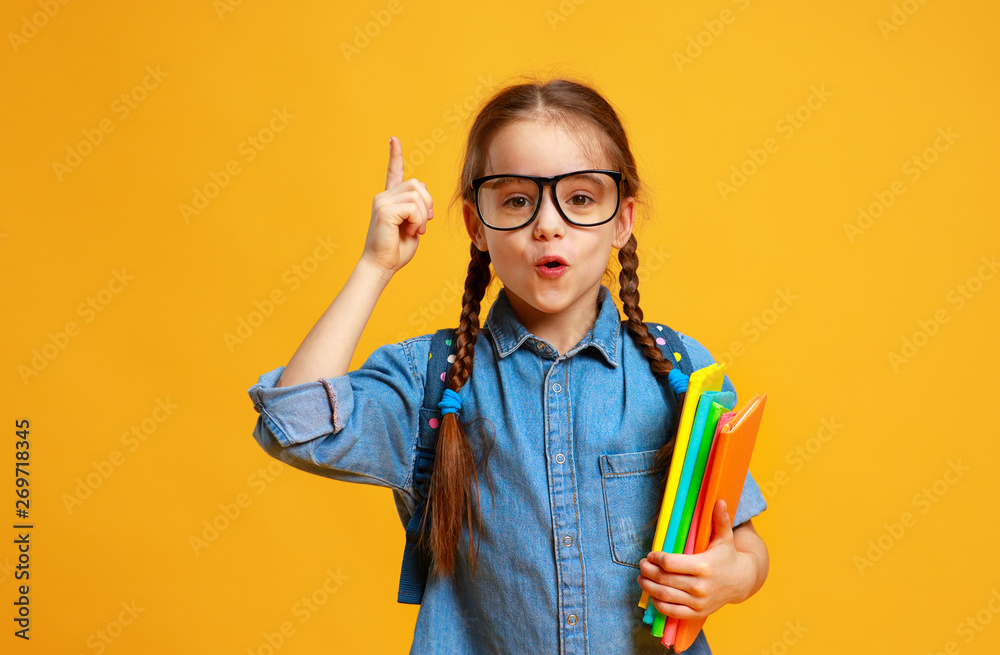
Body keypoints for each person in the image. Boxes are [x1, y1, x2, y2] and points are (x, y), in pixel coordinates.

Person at [247, 76, 769, 654]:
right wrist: (375, 265)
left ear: (622, 220)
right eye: (518, 200)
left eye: (580, 198)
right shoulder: (433, 381)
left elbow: (744, 543)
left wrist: (732, 577)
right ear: (477, 227)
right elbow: (294, 423)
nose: (548, 224)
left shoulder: (677, 373)